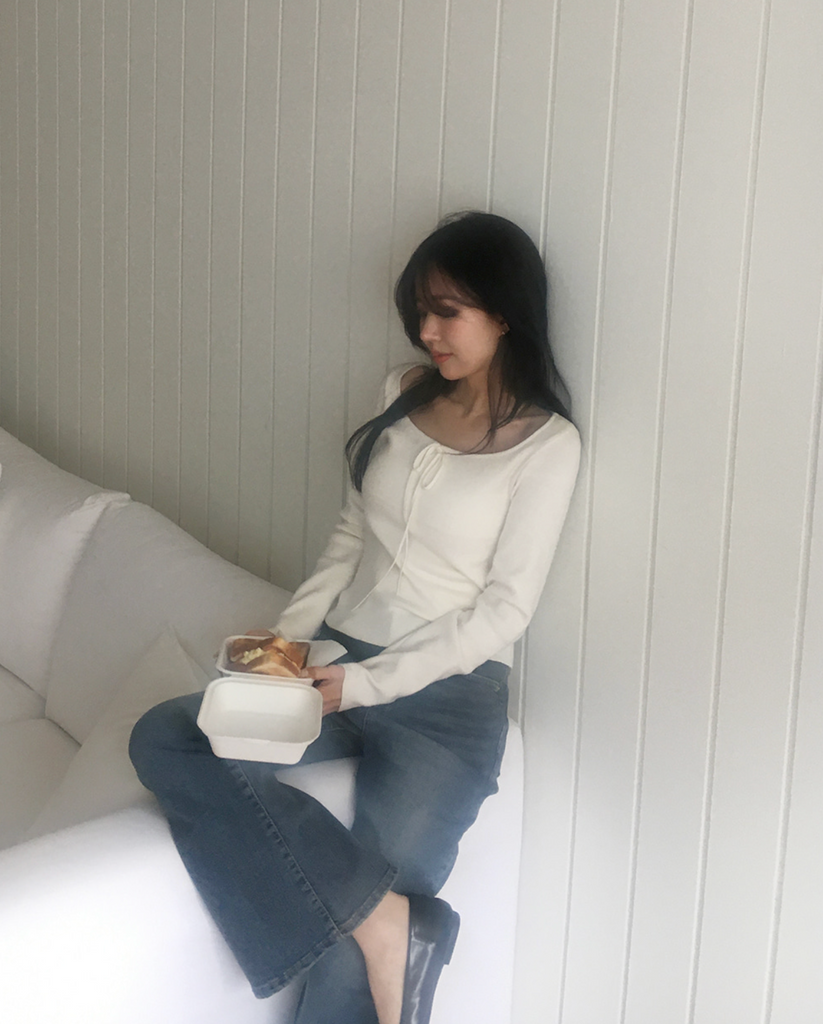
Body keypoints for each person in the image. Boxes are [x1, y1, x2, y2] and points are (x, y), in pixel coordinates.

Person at [129, 211, 581, 1024]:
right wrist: (288, 641)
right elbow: (349, 536)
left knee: (355, 946)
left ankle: (376, 927)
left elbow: (502, 611)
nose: (425, 331)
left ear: (504, 313)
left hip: (448, 700)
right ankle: (387, 923)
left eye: (445, 312)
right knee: (170, 737)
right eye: (419, 311)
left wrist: (366, 685)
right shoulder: (401, 394)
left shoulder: (547, 447)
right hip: (337, 659)